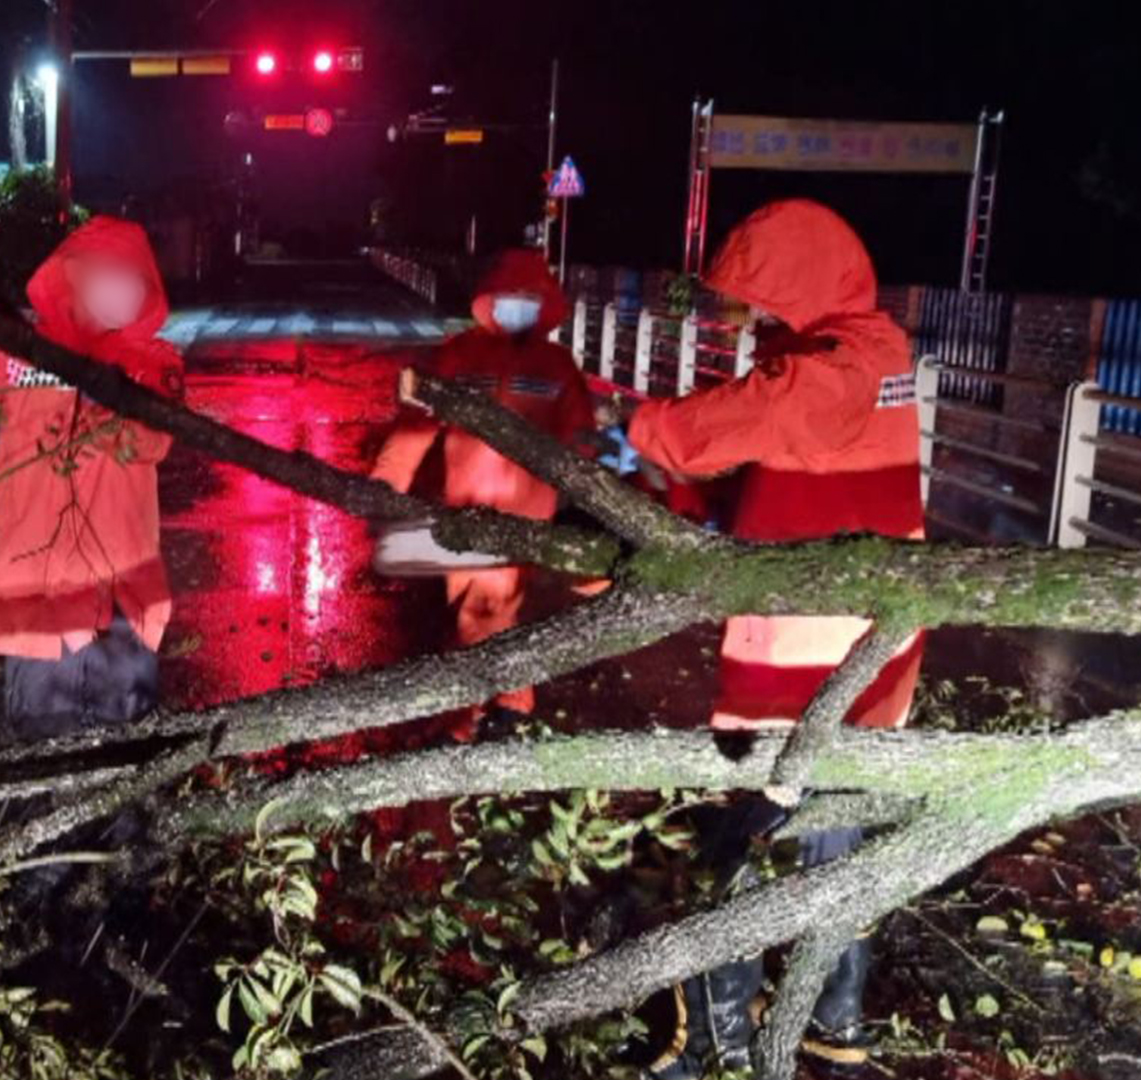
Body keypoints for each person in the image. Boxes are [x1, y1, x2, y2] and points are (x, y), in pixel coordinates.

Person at [623, 199, 924, 1078]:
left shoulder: (839, 369)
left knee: (736, 845)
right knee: (834, 844)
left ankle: (714, 1039)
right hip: (858, 664)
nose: (749, 320)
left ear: (797, 290)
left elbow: (739, 421)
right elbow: (783, 476)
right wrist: (680, 503)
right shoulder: (861, 360)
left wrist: (649, 433)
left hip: (804, 668)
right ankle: (835, 1022)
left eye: (759, 301)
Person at [0, 217, 182, 740]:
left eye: (130, 281)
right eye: (105, 277)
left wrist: (106, 395)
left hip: (121, 600)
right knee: (40, 757)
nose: (117, 292)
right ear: (72, 278)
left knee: (123, 754)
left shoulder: (155, 364)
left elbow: (152, 439)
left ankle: (121, 823)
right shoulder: (23, 353)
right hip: (34, 596)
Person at [369, 248, 597, 716]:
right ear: (488, 301)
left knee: (490, 616)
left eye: (528, 298)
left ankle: (496, 717)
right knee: (473, 615)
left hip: (522, 522)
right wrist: (385, 483)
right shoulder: (457, 357)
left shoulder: (555, 366)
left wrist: (590, 508)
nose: (517, 307)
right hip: (464, 516)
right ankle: (482, 717)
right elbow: (416, 428)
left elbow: (581, 440)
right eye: (509, 297)